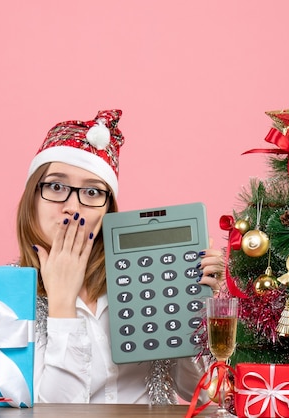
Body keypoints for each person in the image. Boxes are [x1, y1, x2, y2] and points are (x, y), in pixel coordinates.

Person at [16, 109, 224, 404]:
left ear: (107, 208)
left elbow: (202, 395)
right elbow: (54, 411)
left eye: (91, 192)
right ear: (32, 198)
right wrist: (62, 305)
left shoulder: (141, 277)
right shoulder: (7, 298)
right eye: (57, 186)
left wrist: (195, 311)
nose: (73, 207)